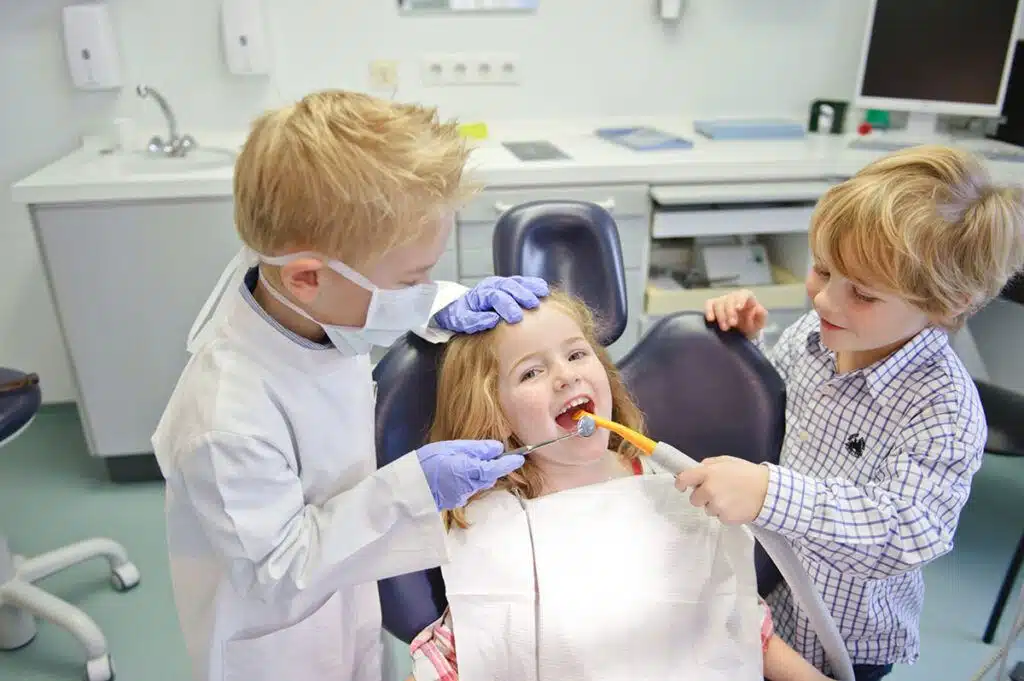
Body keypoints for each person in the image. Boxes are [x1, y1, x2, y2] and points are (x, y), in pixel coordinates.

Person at [150, 90, 549, 681]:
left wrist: (439, 303)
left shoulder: (307, 303)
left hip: (345, 592)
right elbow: (277, 575)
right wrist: (414, 490)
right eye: (412, 280)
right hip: (276, 643)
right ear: (307, 277)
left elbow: (360, 297)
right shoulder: (225, 421)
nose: (421, 289)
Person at [683, 145, 1024, 681]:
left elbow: (907, 531)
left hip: (846, 635)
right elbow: (775, 410)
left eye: (862, 293)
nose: (824, 300)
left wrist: (772, 495)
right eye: (823, 269)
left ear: (947, 305)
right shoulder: (815, 335)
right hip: (768, 593)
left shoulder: (944, 410)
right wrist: (748, 350)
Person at [406, 290, 834, 681]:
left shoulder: (667, 488)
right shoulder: (497, 524)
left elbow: (738, 620)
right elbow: (464, 652)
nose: (565, 376)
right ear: (494, 413)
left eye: (577, 354)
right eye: (531, 372)